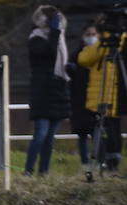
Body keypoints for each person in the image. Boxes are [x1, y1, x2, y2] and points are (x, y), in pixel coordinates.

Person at [25, 6, 71, 178]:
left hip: (58, 90)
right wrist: (54, 31)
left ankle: (44, 171)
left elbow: (61, 61)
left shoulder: (60, 38)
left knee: (51, 137)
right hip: (42, 92)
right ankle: (28, 170)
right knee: (41, 134)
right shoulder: (35, 38)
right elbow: (49, 53)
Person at [77, 15, 122, 175]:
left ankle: (111, 165)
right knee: (104, 132)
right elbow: (83, 58)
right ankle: (105, 165)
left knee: (112, 134)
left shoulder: (113, 43)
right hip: (101, 99)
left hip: (111, 99)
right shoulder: (101, 46)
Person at [69, 23, 102, 182]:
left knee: (98, 133)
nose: (91, 37)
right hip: (80, 101)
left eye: (93, 34)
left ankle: (99, 165)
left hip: (96, 99)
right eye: (88, 34)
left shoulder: (103, 55)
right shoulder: (76, 55)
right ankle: (85, 166)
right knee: (82, 135)